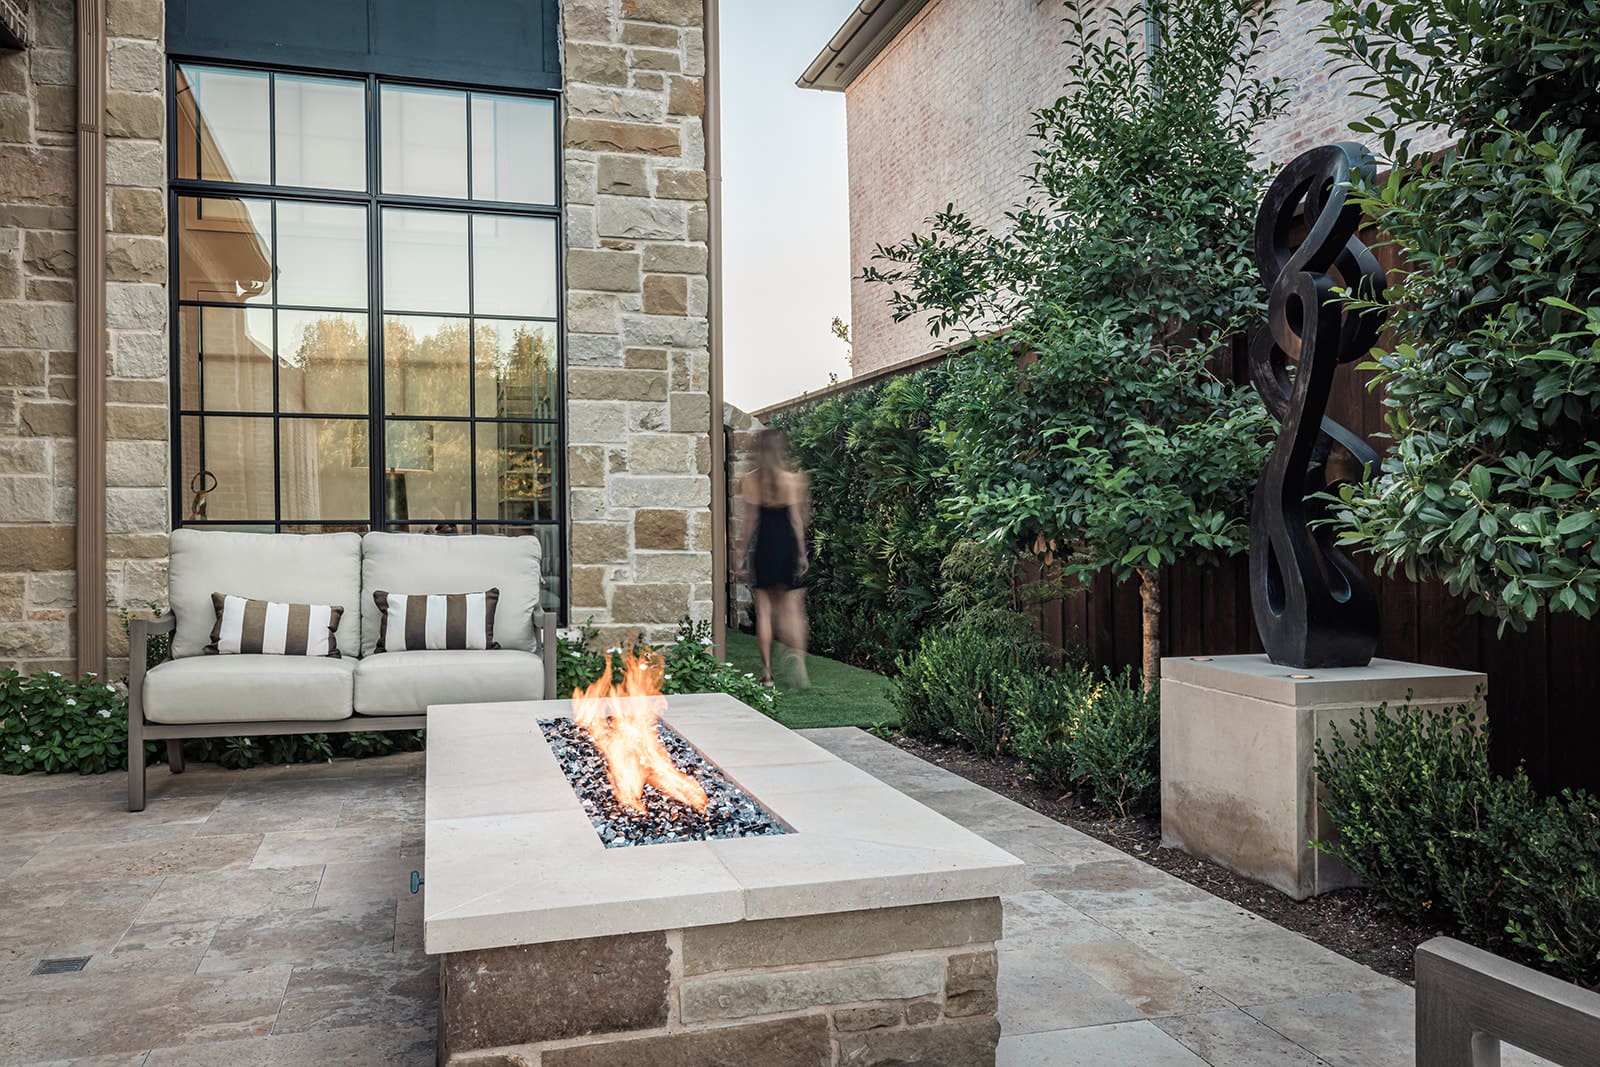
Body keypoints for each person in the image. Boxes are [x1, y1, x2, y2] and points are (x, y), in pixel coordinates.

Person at [733, 429, 810, 688]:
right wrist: (801, 553)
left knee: (764, 611)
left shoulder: (752, 480)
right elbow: (797, 521)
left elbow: (749, 523)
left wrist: (740, 557)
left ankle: (767, 673)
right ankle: (798, 661)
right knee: (793, 610)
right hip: (786, 544)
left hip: (765, 545)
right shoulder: (792, 479)